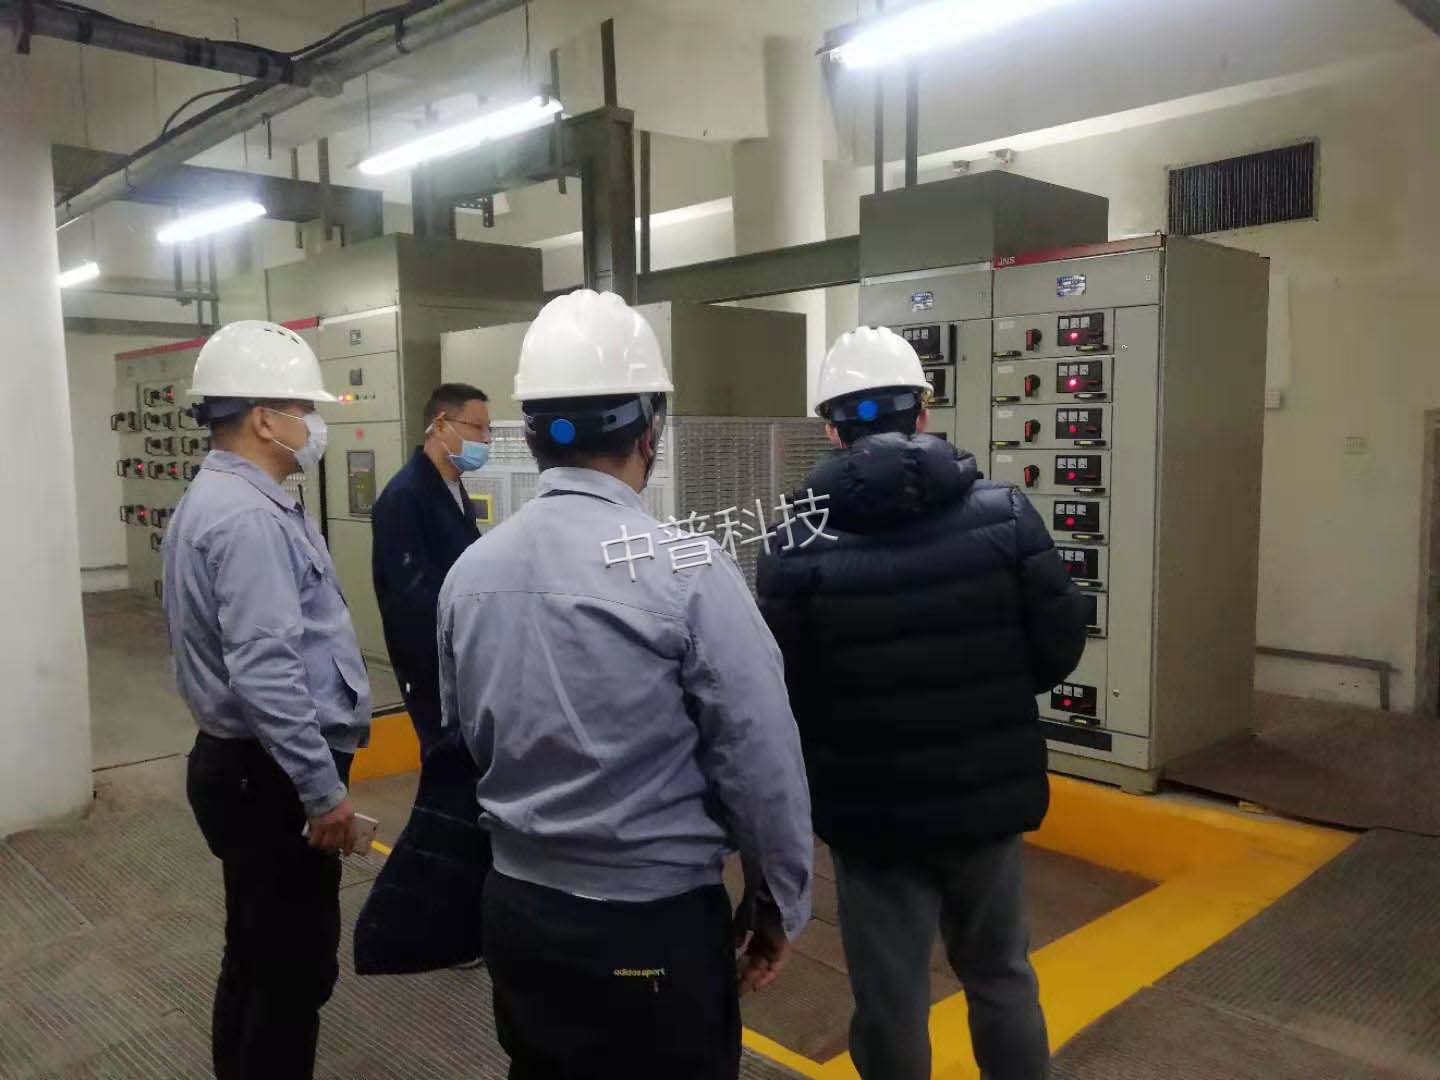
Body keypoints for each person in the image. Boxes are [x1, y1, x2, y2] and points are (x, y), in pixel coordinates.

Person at [436, 289, 813, 1080]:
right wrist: (777, 904)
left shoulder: (470, 573)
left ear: (529, 433)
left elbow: (462, 734)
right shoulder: (688, 569)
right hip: (650, 927)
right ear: (650, 431)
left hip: (518, 912)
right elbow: (761, 762)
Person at [756, 326, 1089, 1080]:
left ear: (832, 428)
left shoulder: (793, 541)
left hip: (872, 813)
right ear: (924, 413)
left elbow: (782, 684)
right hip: (986, 797)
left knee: (891, 1000)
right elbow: (1057, 645)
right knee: (1002, 976)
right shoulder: (1005, 513)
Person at [161, 320, 371, 1080]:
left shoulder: (223, 499)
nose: (313, 424)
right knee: (290, 974)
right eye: (302, 408)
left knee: (254, 955)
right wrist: (322, 792)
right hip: (271, 776)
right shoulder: (248, 517)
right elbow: (267, 674)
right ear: (262, 418)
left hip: (246, 768)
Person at [371, 382, 490, 757]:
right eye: (477, 427)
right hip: (430, 662)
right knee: (445, 759)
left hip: (461, 653)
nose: (486, 439)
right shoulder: (404, 496)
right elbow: (412, 595)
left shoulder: (451, 487)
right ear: (440, 425)